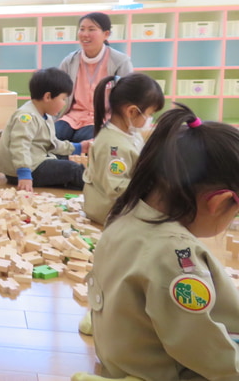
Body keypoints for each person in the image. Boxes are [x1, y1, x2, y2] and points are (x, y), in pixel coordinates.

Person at [83, 103, 239, 380]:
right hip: (156, 371)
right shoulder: (175, 254)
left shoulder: (124, 212)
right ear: (219, 201)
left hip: (121, 352)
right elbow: (205, 352)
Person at [82, 73, 165, 225]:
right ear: (132, 112)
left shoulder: (131, 133)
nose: (150, 118)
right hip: (111, 211)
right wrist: (151, 187)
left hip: (125, 201)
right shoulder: (112, 146)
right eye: (150, 114)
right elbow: (116, 188)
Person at [0, 67, 90, 192]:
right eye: (63, 99)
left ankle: (70, 183)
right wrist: (24, 174)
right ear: (48, 97)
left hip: (36, 161)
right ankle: (98, 189)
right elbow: (19, 146)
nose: (65, 103)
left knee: (65, 160)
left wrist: (79, 147)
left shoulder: (46, 115)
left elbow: (52, 143)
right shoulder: (26, 117)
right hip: (23, 172)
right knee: (73, 169)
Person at [55, 12, 133, 143]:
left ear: (106, 34)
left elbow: (129, 97)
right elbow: (57, 92)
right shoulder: (70, 61)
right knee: (54, 137)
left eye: (91, 29)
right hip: (72, 116)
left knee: (83, 140)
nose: (85, 34)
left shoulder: (120, 61)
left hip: (103, 117)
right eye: (82, 29)